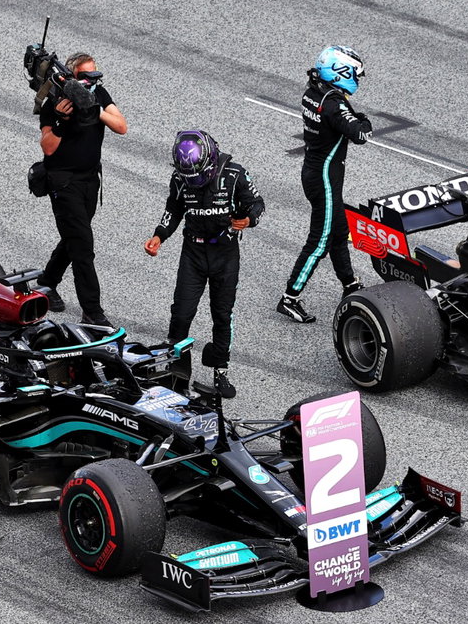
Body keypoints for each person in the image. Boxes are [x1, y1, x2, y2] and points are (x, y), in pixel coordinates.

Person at [144, 130, 265, 381]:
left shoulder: (235, 174)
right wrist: (159, 235)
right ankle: (175, 371)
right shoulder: (179, 178)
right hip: (193, 253)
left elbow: (258, 203)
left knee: (222, 314)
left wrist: (248, 219)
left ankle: (221, 371)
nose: (193, 180)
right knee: (181, 312)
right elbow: (174, 207)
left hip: (225, 254)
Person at [276, 46, 373, 323]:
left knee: (339, 232)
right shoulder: (334, 103)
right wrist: (365, 120)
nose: (357, 79)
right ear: (341, 73)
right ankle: (290, 297)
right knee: (319, 242)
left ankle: (350, 285)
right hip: (325, 180)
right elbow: (360, 134)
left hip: (314, 172)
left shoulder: (313, 93)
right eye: (355, 74)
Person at [37, 53, 127, 328]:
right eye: (86, 77)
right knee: (83, 246)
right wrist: (63, 120)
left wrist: (93, 108)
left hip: (90, 182)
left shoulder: (98, 94)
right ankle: (92, 311)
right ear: (72, 77)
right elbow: (48, 147)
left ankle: (47, 284)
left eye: (95, 76)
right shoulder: (54, 101)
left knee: (75, 237)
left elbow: (121, 127)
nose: (92, 81)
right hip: (64, 183)